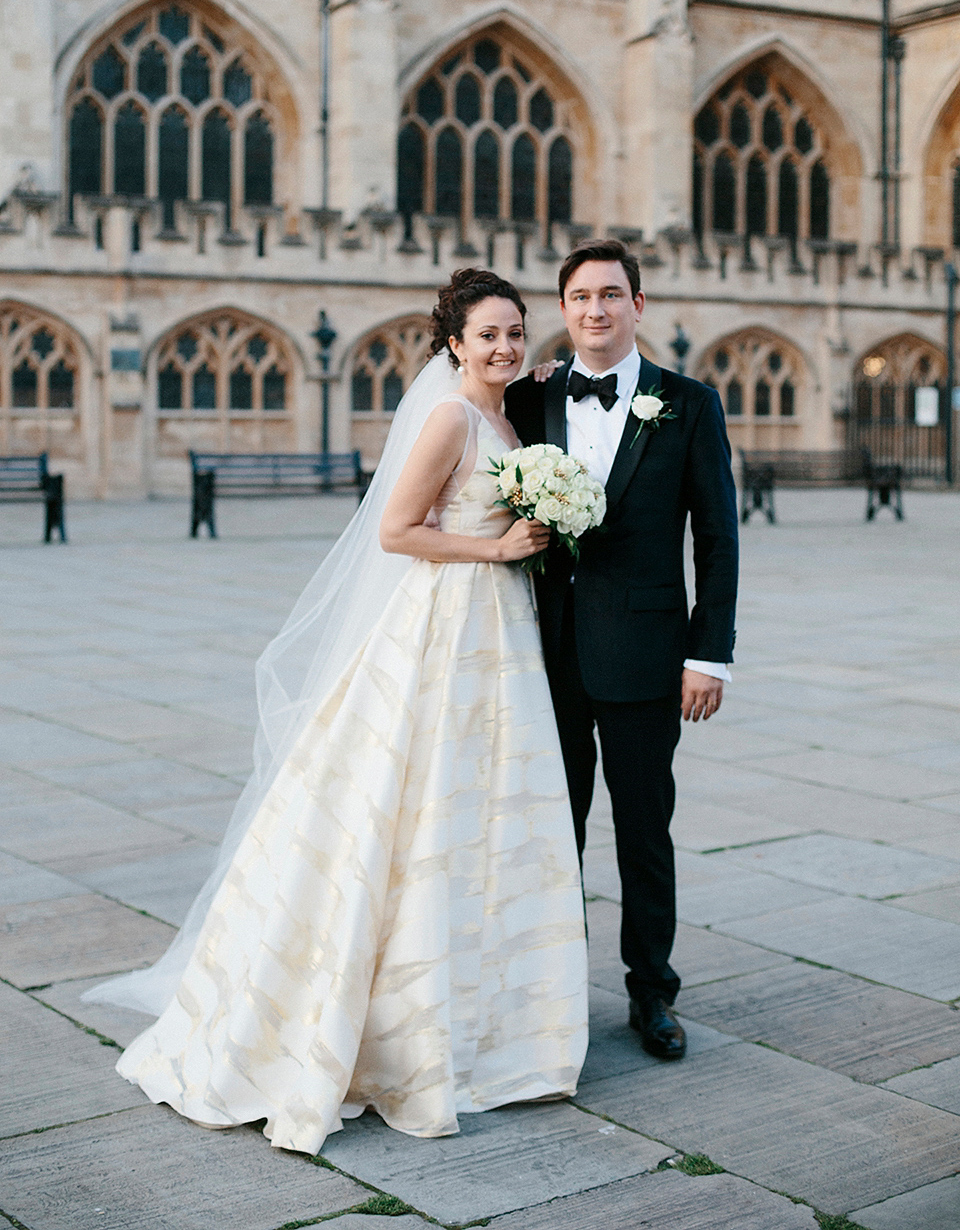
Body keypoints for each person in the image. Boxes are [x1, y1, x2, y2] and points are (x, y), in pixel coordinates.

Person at [84, 269, 588, 1156]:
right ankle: (385, 1022)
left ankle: (490, 1017)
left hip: (499, 637)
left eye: (516, 332)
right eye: (489, 335)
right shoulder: (451, 419)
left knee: (482, 817)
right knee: (409, 811)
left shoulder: (514, 417)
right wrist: (495, 545)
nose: (506, 347)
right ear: (453, 345)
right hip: (441, 627)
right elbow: (397, 530)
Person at [505, 239, 738, 1062]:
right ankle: (551, 994)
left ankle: (652, 993)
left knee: (644, 833)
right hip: (544, 654)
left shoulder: (690, 403)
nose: (595, 310)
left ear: (639, 304)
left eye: (610, 294)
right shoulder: (529, 400)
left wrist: (710, 655)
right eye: (579, 297)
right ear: (562, 310)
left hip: (646, 654)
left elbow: (716, 536)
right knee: (548, 830)